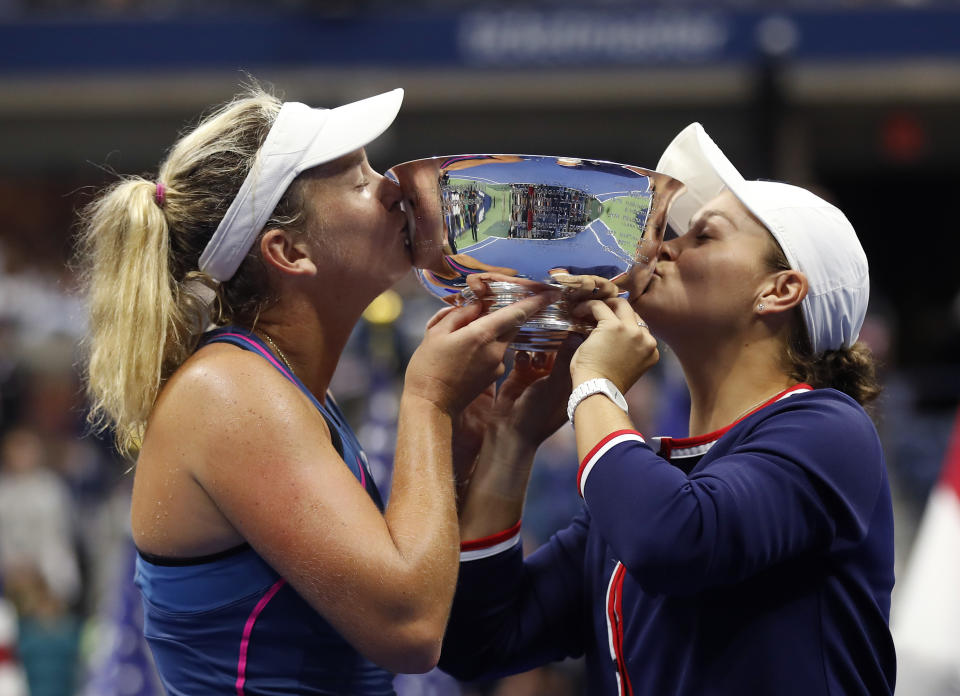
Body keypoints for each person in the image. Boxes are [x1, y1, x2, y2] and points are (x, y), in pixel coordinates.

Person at [76, 85, 558, 695]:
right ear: (289, 251)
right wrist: (429, 402)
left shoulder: (279, 388)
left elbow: (420, 584)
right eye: (357, 181)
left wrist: (489, 443)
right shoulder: (228, 394)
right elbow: (409, 630)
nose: (393, 187)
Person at [438, 123, 896, 695]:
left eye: (703, 236)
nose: (660, 248)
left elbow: (672, 541)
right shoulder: (643, 475)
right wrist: (513, 441)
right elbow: (478, 642)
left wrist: (597, 384)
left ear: (778, 290)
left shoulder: (829, 427)